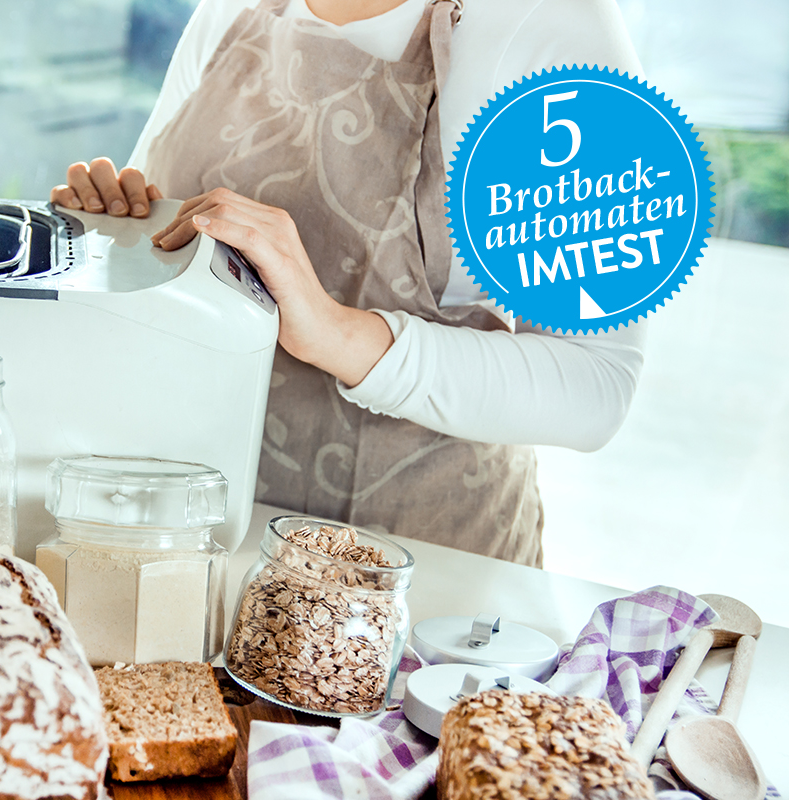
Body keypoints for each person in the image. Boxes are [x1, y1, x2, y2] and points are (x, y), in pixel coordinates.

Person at [51, 0, 646, 567]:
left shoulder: (549, 23)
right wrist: (111, 231)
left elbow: (598, 385)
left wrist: (338, 334)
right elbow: (170, 255)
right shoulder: (231, 9)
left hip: (417, 575)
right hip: (194, 543)